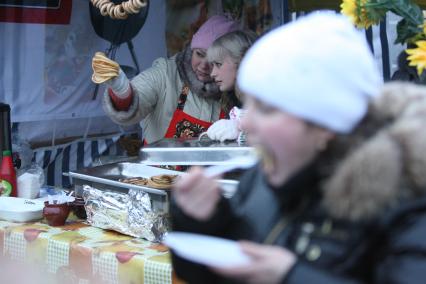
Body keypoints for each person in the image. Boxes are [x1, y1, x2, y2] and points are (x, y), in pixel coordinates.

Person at [170, 12, 426, 283]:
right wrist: (202, 222)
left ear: (325, 125)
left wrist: (290, 276)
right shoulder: (262, 180)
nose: (247, 124)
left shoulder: (403, 202)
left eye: (267, 109)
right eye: (251, 104)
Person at [99, 15, 239, 144]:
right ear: (191, 49)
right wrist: (122, 90)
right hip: (158, 171)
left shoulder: (234, 92)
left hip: (207, 172)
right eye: (199, 54)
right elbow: (137, 99)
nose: (203, 65)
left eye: (213, 61)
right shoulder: (166, 73)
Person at [203, 30, 257, 142]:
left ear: (242, 62)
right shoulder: (232, 98)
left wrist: (239, 129)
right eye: (212, 66)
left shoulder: (266, 98)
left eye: (218, 64)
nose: (212, 74)